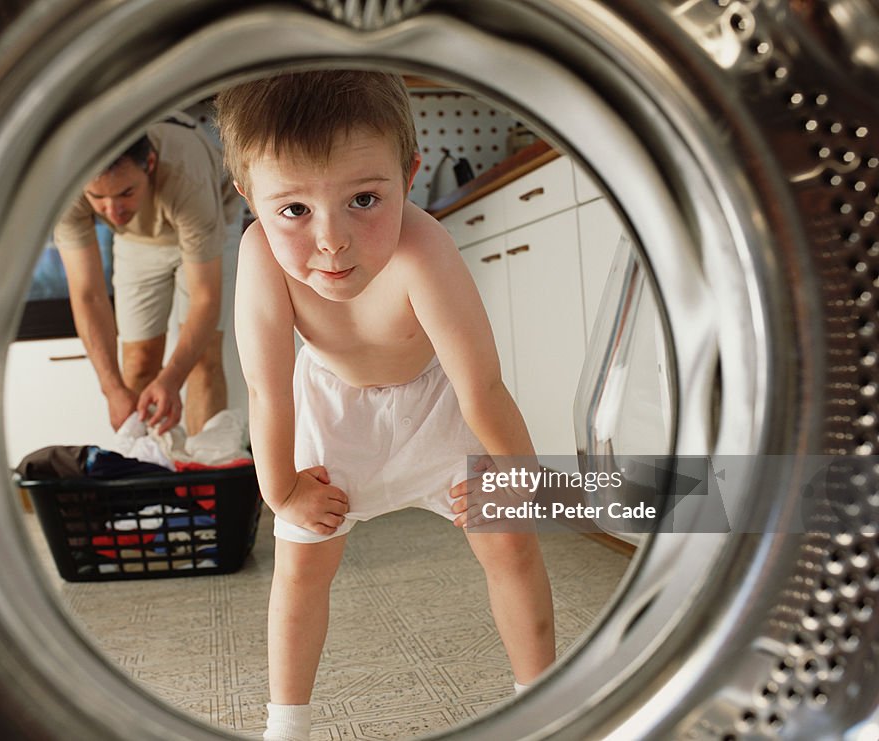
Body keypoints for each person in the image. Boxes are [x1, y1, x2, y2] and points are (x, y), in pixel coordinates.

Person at [216, 70, 556, 741]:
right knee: (302, 565)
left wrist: (521, 475)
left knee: (510, 542)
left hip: (437, 405)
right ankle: (285, 725)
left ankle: (543, 701)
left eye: (365, 199)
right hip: (330, 412)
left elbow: (481, 385)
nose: (332, 240)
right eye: (294, 211)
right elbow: (266, 385)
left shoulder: (424, 248)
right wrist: (282, 489)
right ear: (249, 199)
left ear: (409, 174)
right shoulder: (259, 257)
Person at [53, 115, 241, 435]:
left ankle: (203, 475)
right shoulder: (67, 190)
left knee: (201, 360)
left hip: (209, 221)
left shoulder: (185, 175)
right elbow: (88, 294)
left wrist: (171, 379)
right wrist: (111, 389)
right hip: (137, 240)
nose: (112, 211)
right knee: (138, 364)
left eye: (125, 192)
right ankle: (147, 478)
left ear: (149, 163)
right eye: (97, 198)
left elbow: (204, 297)